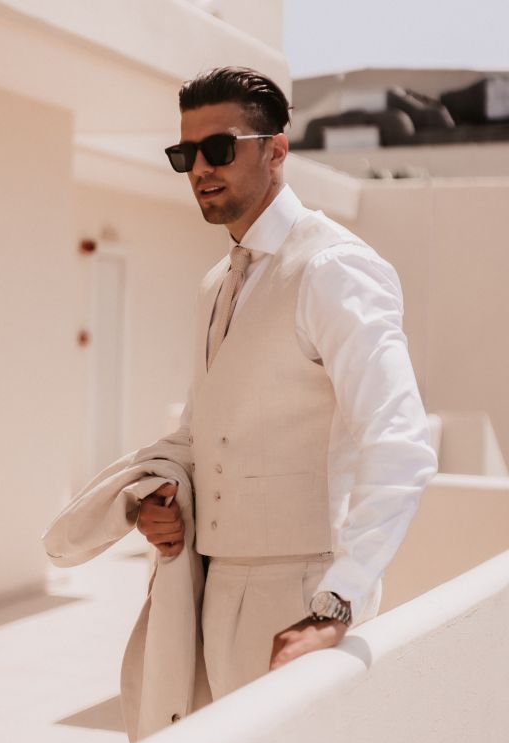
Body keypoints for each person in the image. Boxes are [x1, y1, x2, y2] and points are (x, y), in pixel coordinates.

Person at [135, 66, 437, 701]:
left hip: (305, 594)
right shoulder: (216, 284)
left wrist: (338, 601)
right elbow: (201, 430)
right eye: (185, 155)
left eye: (219, 148)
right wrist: (167, 500)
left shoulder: (333, 268)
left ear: (275, 150)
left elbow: (400, 440)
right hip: (213, 586)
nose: (200, 169)